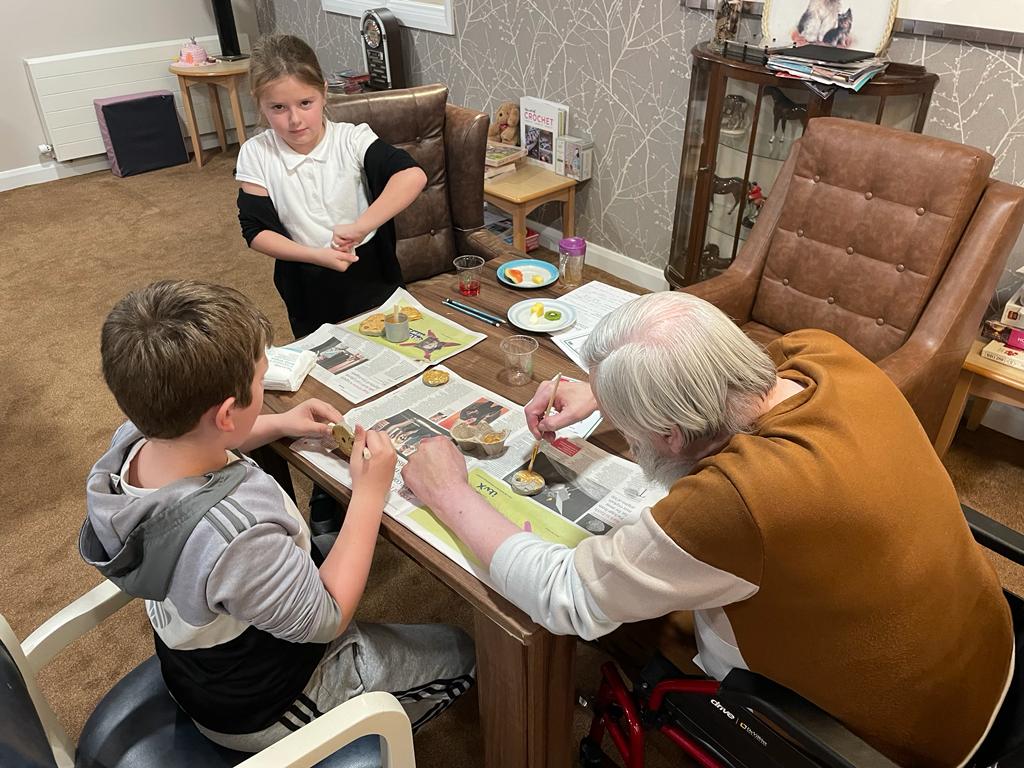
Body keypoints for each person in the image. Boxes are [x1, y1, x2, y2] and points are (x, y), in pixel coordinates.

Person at [401, 291, 1014, 767]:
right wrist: (606, 395)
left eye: (638, 428)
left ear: (670, 433)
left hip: (908, 741)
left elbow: (570, 597)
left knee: (614, 616)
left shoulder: (736, 501)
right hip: (987, 649)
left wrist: (449, 493)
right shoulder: (822, 354)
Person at [81, 280, 473, 752]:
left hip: (200, 669)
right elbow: (327, 617)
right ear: (226, 414)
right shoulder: (237, 533)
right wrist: (370, 494)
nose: (264, 385)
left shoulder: (132, 445)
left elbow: (201, 443)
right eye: (259, 380)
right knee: (463, 652)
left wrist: (279, 423)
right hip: (271, 704)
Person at [235, 34, 427, 532]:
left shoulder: (352, 138)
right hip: (307, 286)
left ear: (324, 94)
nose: (295, 119)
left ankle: (401, 465)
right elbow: (256, 232)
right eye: (278, 108)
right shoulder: (257, 155)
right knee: (328, 391)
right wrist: (316, 255)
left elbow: (410, 177)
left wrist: (363, 224)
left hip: (374, 279)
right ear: (260, 107)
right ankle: (329, 490)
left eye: (305, 103)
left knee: (392, 371)